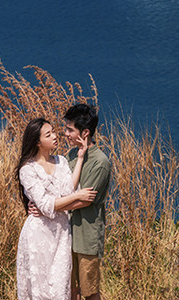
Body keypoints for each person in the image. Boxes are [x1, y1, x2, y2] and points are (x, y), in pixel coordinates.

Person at [15, 118, 97, 300]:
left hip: (61, 234)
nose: (55, 136)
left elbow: (68, 189)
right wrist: (77, 197)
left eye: (53, 131)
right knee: (40, 290)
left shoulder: (61, 161)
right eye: (48, 134)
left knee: (60, 289)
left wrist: (81, 157)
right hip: (38, 237)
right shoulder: (27, 170)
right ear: (37, 142)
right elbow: (45, 205)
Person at [64, 104, 111, 300]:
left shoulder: (100, 162)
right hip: (67, 233)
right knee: (70, 289)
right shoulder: (72, 155)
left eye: (69, 129)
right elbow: (66, 190)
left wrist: (52, 206)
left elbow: (85, 201)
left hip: (87, 236)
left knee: (90, 291)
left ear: (85, 133)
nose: (65, 133)